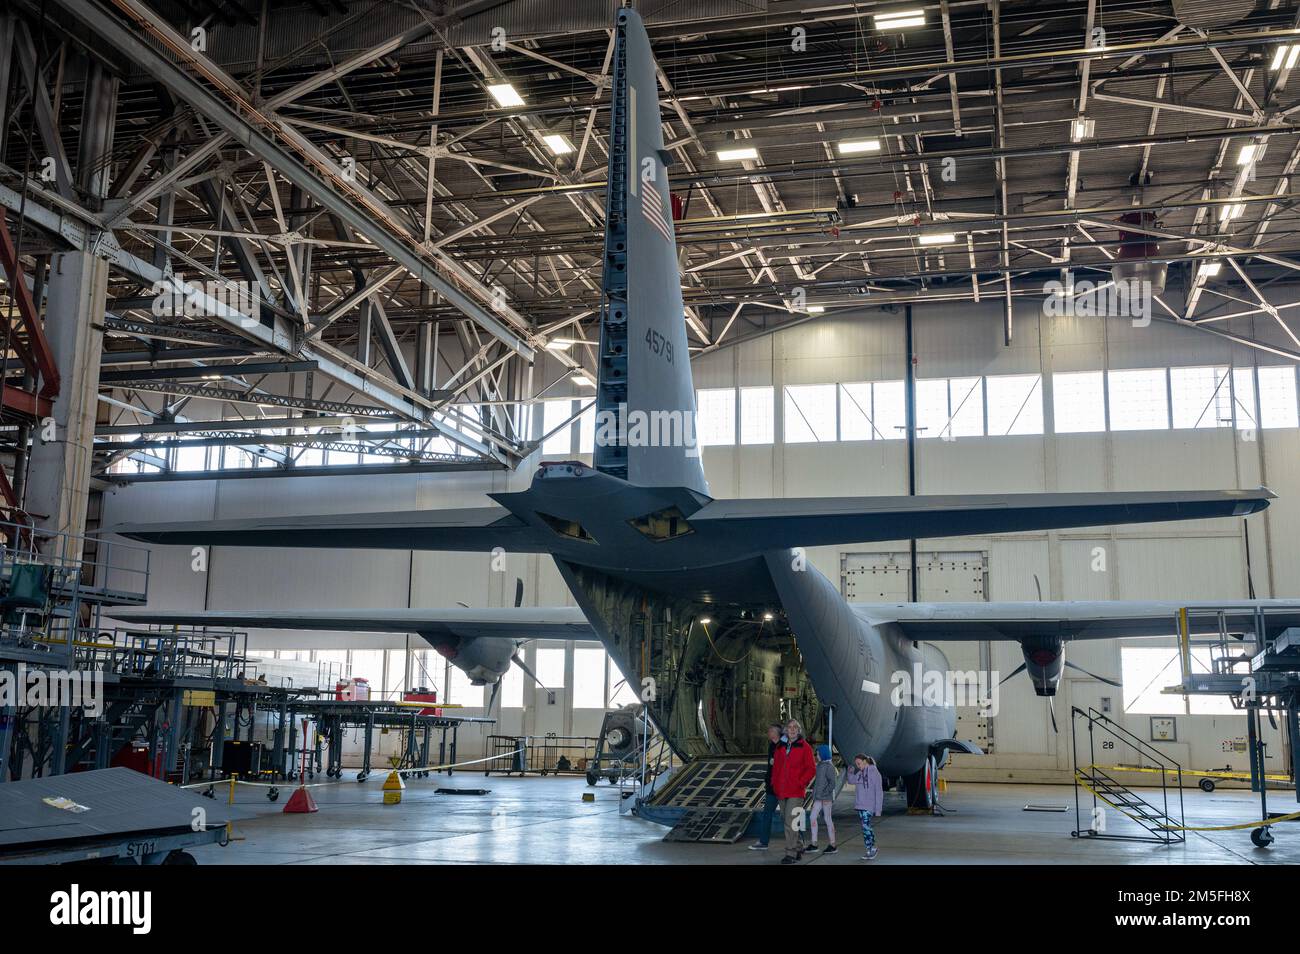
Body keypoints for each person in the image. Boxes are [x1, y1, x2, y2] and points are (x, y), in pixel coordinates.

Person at [771, 718, 816, 864]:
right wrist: (774, 783)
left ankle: (790, 853)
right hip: (781, 790)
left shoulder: (805, 747)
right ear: (786, 730)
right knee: (787, 820)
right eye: (790, 727)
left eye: (795, 727)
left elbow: (811, 769)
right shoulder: (780, 747)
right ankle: (798, 847)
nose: (792, 729)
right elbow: (776, 767)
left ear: (798, 730)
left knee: (791, 822)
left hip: (796, 791)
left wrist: (801, 782)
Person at [748, 723, 786, 851]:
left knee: (788, 815)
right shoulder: (771, 746)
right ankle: (763, 841)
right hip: (771, 786)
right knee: (767, 814)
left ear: (777, 733)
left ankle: (798, 841)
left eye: (771, 730)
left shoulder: (785, 745)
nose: (768, 732)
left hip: (783, 787)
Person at [845, 753, 884, 861]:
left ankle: (871, 849)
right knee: (866, 827)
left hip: (869, 806)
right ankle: (872, 848)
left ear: (865, 761)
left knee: (865, 826)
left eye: (859, 763)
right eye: (856, 764)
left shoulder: (875, 773)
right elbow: (851, 780)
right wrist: (850, 771)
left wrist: (878, 810)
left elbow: (879, 792)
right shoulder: (860, 773)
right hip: (860, 805)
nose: (858, 766)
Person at [807, 744, 837, 854]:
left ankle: (833, 845)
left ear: (823, 754)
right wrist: (815, 796)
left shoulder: (829, 766)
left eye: (818, 754)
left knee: (827, 819)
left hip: (825, 798)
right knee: (812, 817)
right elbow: (818, 784)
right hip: (818, 798)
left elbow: (832, 783)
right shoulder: (819, 765)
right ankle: (814, 844)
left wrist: (825, 794)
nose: (817, 756)